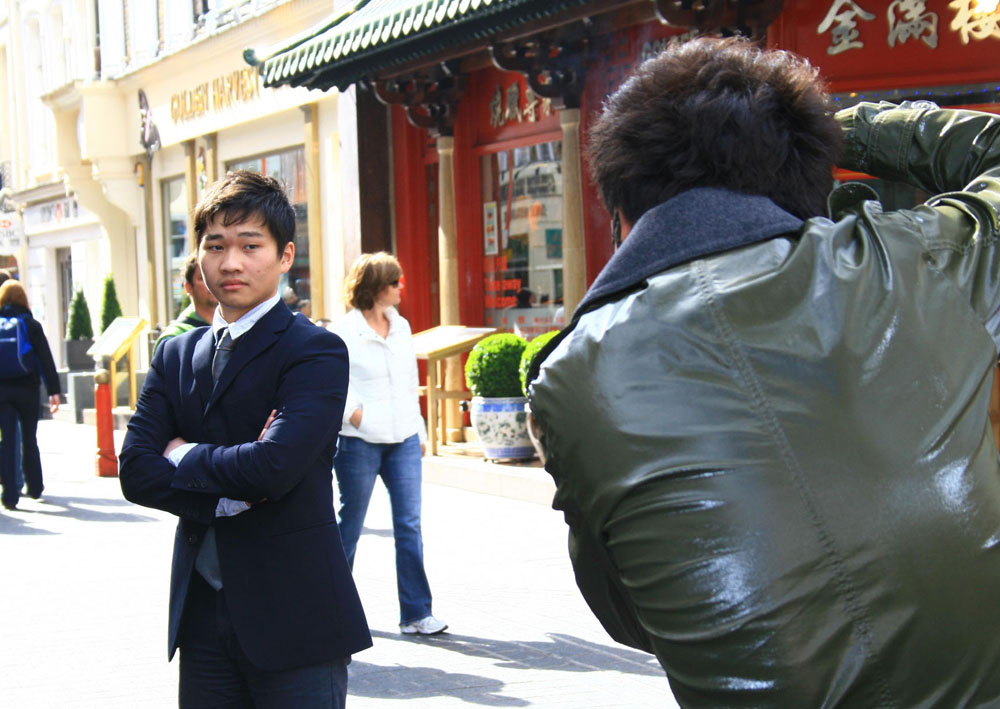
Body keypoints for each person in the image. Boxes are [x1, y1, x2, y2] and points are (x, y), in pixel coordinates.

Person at [526, 37, 1000, 708]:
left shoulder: (572, 377)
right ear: (807, 178)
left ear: (622, 213)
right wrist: (835, 128)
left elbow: (634, 617)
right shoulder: (909, 263)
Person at [119, 170, 371, 707]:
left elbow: (273, 468)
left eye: (250, 245)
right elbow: (135, 471)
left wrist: (182, 453)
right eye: (215, 246)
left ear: (284, 256)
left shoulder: (314, 351)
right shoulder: (174, 355)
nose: (230, 262)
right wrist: (229, 492)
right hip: (201, 619)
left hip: (295, 617)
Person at [331, 252, 446, 636]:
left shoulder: (401, 326)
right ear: (375, 287)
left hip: (404, 440)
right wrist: (355, 415)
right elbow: (333, 383)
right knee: (350, 526)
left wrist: (420, 431)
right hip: (359, 443)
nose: (401, 288)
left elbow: (410, 383)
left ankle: (416, 613)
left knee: (409, 526)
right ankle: (330, 612)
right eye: (395, 282)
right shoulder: (344, 331)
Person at [0, 280, 60, 510]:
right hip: (28, 389)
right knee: (30, 438)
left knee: (7, 441)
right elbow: (45, 358)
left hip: (2, 391)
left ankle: (9, 495)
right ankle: (34, 487)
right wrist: (54, 390)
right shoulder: (31, 324)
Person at [153, 251, 218, 355]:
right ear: (188, 287)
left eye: (217, 275)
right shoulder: (173, 339)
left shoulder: (235, 329)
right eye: (203, 277)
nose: (212, 282)